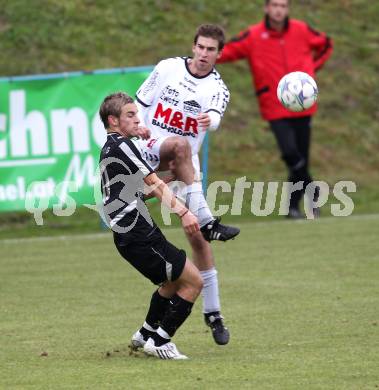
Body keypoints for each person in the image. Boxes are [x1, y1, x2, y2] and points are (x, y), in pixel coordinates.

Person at [135, 24, 238, 345]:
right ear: (193, 47)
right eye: (201, 47)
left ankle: (214, 313)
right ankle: (209, 221)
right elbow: (140, 101)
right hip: (151, 150)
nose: (205, 54)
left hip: (183, 166)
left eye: (211, 50)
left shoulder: (218, 88)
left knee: (197, 240)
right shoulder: (167, 68)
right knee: (178, 145)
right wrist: (137, 128)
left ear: (219, 54)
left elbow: (216, 114)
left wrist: (211, 120)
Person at [98, 92, 204, 360]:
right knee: (193, 281)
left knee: (171, 282)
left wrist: (171, 176)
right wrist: (184, 212)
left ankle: (145, 334)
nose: (137, 119)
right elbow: (153, 184)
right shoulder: (123, 146)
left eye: (137, 114)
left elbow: (137, 191)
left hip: (129, 233)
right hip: (137, 233)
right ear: (113, 120)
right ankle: (160, 341)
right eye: (130, 115)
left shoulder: (110, 148)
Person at [217, 0, 333, 218]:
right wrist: (205, 56)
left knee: (301, 157)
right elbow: (226, 51)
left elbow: (326, 44)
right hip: (274, 105)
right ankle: (312, 190)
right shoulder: (253, 35)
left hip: (303, 106)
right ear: (266, 8)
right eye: (275, 5)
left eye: (283, 5)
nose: (279, 9)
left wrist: (309, 74)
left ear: (287, 9)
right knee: (290, 153)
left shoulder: (301, 29)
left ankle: (293, 207)